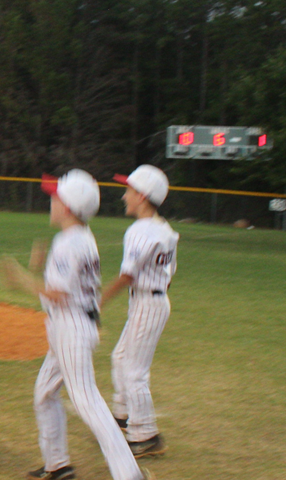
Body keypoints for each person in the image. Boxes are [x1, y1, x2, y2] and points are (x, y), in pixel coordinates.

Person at [0, 170, 153, 480]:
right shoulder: (78, 236)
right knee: (44, 392)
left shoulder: (70, 242)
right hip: (71, 325)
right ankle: (58, 465)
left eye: (55, 197)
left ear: (67, 207)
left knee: (88, 402)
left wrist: (22, 279)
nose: (51, 201)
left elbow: (58, 294)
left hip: (71, 327)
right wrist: (38, 268)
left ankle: (130, 475)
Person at [101, 165, 176, 458]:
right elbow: (169, 272)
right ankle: (122, 418)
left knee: (134, 372)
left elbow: (127, 276)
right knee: (119, 357)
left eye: (129, 190)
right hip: (153, 300)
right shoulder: (164, 228)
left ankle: (145, 435)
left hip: (148, 302)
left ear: (142, 197)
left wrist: (98, 302)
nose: (124, 196)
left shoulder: (140, 231)